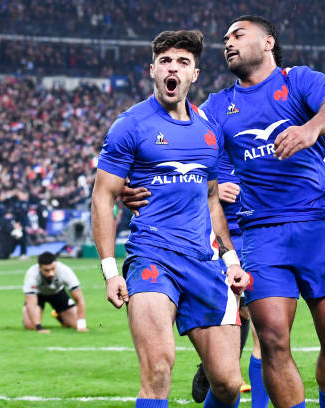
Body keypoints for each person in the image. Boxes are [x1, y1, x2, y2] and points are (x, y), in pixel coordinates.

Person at [122, 15, 325, 408]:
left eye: (238, 35)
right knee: (274, 341)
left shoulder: (298, 81)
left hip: (319, 225)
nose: (227, 42)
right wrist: (134, 183)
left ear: (267, 43)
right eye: (225, 37)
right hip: (262, 235)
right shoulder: (217, 107)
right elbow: (181, 144)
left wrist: (311, 128)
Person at [90, 30, 250, 408]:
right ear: (152, 70)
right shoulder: (129, 125)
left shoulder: (209, 130)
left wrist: (231, 261)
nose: (172, 68)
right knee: (159, 369)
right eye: (165, 61)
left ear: (195, 74)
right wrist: (110, 270)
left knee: (227, 384)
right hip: (152, 258)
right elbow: (103, 196)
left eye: (182, 62)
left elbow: (212, 201)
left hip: (203, 262)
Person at [191, 152, 269, 408]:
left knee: (264, 332)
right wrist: (210, 191)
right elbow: (179, 184)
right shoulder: (207, 147)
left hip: (258, 241)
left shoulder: (261, 149)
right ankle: (212, 365)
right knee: (233, 317)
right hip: (218, 246)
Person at [22, 251, 88, 333]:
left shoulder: (65, 271)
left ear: (56, 264)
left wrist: (82, 326)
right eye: (46, 270)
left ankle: (57, 314)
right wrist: (39, 327)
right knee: (30, 326)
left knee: (75, 324)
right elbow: (31, 303)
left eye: (53, 269)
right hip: (39, 295)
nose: (51, 273)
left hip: (58, 293)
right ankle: (38, 321)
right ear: (40, 268)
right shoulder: (32, 274)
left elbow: (79, 299)